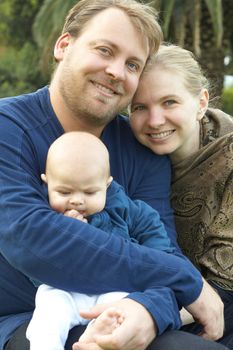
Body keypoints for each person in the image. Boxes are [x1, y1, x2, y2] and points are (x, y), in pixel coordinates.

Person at [0, 0, 226, 349]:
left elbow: (162, 245)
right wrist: (182, 278)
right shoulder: (9, 127)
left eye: (132, 64)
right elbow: (29, 237)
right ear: (64, 46)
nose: (117, 72)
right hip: (25, 317)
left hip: (120, 305)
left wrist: (148, 310)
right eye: (105, 50)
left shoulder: (141, 150)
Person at [26, 130, 175, 350]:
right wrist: (68, 231)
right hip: (65, 289)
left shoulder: (124, 208)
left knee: (122, 309)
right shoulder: (44, 214)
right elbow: (35, 256)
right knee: (48, 310)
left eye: (90, 192)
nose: (76, 201)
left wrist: (157, 258)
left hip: (114, 287)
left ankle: (97, 337)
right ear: (47, 183)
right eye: (64, 192)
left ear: (106, 184)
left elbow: (152, 231)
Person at [129, 43, 233, 350]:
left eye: (169, 102)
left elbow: (224, 281)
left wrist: (147, 317)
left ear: (200, 102)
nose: (155, 120)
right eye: (139, 107)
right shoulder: (124, 156)